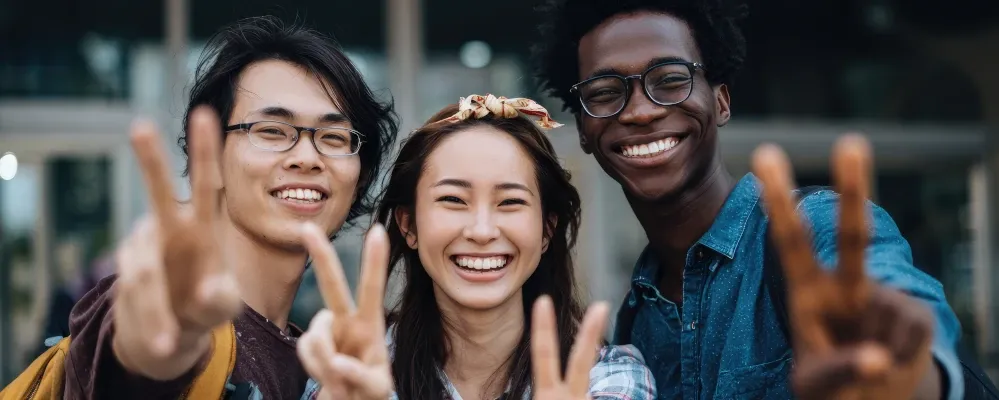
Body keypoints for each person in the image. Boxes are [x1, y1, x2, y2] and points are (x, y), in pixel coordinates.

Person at [532, 1, 964, 399]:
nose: (641, 111)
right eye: (605, 92)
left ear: (720, 102)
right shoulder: (637, 317)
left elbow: (896, 303)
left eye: (670, 80)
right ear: (585, 131)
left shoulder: (812, 228)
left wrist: (909, 374)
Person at [61, 16, 397, 399]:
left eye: (335, 138)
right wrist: (161, 346)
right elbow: (140, 358)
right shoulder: (152, 309)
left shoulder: (326, 368)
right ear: (213, 160)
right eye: (271, 130)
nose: (307, 157)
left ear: (359, 177)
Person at [296, 94, 656, 399]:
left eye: (510, 202)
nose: (482, 231)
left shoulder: (608, 378)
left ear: (547, 230)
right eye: (453, 199)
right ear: (409, 225)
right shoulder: (351, 372)